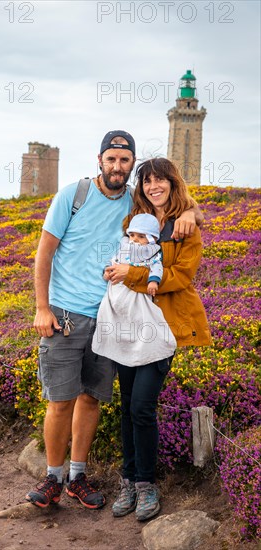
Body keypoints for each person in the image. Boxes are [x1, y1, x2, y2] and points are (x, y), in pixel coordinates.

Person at [26, 132, 202, 510]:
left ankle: (77, 477)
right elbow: (44, 253)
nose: (117, 167)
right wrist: (42, 308)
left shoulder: (132, 203)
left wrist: (192, 212)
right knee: (60, 402)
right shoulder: (73, 195)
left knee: (92, 400)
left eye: (125, 161)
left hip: (111, 318)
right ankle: (52, 478)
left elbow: (174, 205)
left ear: (131, 166)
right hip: (66, 315)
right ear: (100, 159)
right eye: (111, 159)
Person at [104, 157, 212, 522]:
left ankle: (147, 484)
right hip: (127, 324)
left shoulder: (185, 228)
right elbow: (119, 257)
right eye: (147, 181)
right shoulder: (133, 222)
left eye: (160, 180)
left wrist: (130, 274)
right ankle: (129, 480)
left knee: (141, 407)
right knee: (126, 407)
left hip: (161, 328)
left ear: (172, 182)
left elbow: (180, 276)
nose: (153, 186)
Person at [91, 213, 177, 367]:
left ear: (152, 239)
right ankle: (118, 346)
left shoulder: (152, 252)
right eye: (132, 235)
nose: (135, 239)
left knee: (140, 318)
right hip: (117, 292)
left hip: (136, 293)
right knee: (115, 319)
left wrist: (153, 281)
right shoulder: (124, 248)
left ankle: (146, 349)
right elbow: (113, 261)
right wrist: (108, 271)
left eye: (141, 236)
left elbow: (156, 267)